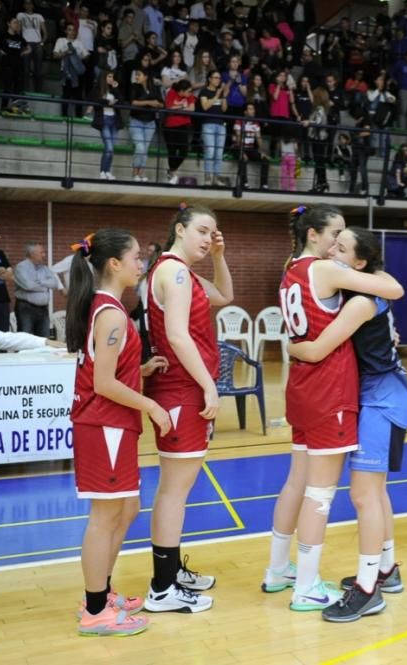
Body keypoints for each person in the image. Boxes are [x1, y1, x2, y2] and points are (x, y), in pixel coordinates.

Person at [264, 205, 403, 612]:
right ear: (313, 235)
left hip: (302, 388)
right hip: (329, 390)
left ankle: (277, 570)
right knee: (320, 494)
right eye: (335, 234)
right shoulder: (323, 270)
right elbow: (394, 289)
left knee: (296, 482)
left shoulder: (290, 268)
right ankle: (305, 587)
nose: (337, 242)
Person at [65, 229, 171, 636]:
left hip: (115, 424)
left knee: (126, 510)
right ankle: (95, 611)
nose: (140, 264)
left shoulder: (109, 308)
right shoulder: (108, 312)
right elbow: (103, 383)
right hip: (102, 424)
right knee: (105, 516)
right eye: (135, 257)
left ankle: (103, 592)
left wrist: (139, 371)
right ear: (114, 264)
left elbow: (105, 370)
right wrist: (152, 405)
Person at [142, 205, 232, 613]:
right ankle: (163, 588)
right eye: (201, 231)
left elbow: (226, 296)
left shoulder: (185, 273)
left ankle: (172, 571)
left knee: (177, 489)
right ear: (179, 228)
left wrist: (218, 256)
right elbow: (178, 337)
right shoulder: (174, 272)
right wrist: (209, 386)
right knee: (174, 491)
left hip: (182, 388)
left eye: (212, 232)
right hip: (181, 389)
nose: (207, 238)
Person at [13, 243, 61, 338]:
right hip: (26, 308)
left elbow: (55, 283)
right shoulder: (21, 267)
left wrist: (39, 282)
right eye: (41, 252)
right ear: (32, 253)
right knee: (25, 339)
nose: (44, 255)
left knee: (43, 340)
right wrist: (46, 286)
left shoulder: (44, 268)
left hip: (43, 309)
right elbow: (28, 285)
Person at [128, 68, 162, 183]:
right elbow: (133, 102)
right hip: (136, 121)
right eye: (136, 75)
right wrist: (149, 103)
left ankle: (141, 172)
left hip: (150, 122)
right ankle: (135, 170)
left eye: (139, 75)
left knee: (145, 149)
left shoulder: (154, 88)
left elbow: (162, 103)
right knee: (140, 147)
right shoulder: (134, 86)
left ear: (146, 77)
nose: (137, 77)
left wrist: (157, 104)